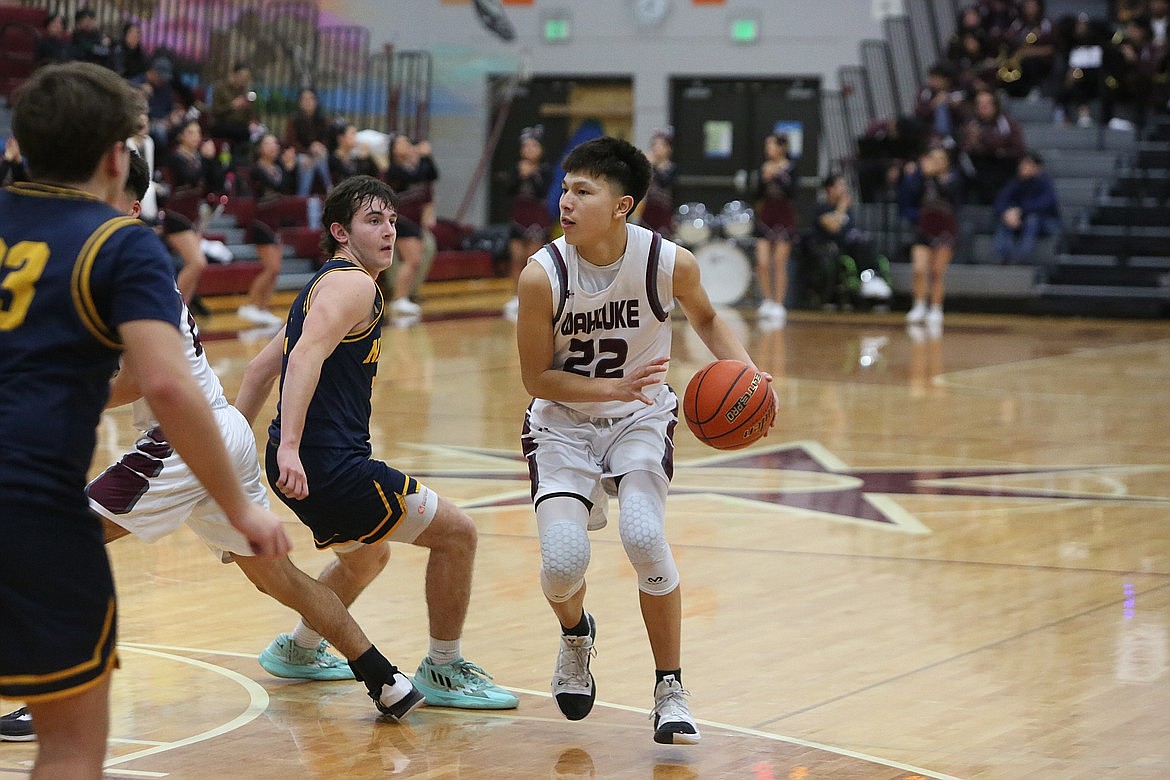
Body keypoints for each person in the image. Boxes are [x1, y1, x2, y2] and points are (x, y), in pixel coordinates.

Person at [0, 61, 291, 779]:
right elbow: (164, 384)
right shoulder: (120, 241)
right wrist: (238, 507)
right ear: (115, 158)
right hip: (31, 508)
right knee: (68, 750)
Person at [515, 136, 777, 744]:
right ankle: (576, 635)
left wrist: (748, 373)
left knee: (642, 533)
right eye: (565, 189)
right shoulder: (541, 276)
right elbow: (536, 378)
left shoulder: (669, 262)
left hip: (640, 419)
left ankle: (670, 688)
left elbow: (707, 318)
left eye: (584, 191)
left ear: (623, 205)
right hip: (563, 423)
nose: (566, 202)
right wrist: (611, 388)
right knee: (561, 565)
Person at [234, 174, 518, 714]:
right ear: (340, 232)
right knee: (458, 535)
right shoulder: (354, 285)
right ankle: (444, 665)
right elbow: (303, 359)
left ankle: (300, 648)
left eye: (391, 219)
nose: (389, 230)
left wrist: (245, 450)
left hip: (303, 465)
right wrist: (290, 445)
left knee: (367, 559)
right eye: (373, 220)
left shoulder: (323, 285)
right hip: (332, 467)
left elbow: (256, 370)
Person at [898, 146, 961, 326]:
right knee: (919, 269)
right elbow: (910, 193)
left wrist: (931, 176)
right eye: (933, 159)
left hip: (945, 229)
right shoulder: (922, 178)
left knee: (936, 272)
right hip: (925, 226)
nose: (936, 163)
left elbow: (949, 194)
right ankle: (918, 305)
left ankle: (936, 307)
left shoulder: (953, 179)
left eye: (940, 159)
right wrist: (916, 174)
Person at [807, 173, 893, 306]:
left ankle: (873, 278)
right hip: (831, 247)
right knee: (858, 246)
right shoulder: (821, 208)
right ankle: (867, 279)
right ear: (830, 189)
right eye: (840, 185)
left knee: (866, 242)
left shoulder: (848, 210)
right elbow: (833, 228)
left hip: (851, 246)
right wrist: (841, 209)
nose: (844, 189)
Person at [382, 132, 439, 319]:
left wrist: (428, 156)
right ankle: (399, 298)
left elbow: (432, 174)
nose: (407, 146)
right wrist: (423, 156)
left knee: (415, 260)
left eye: (408, 143)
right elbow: (415, 176)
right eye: (402, 144)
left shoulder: (417, 167)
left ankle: (404, 296)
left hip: (415, 221)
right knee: (411, 260)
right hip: (401, 219)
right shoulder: (393, 170)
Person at [502, 125, 554, 319]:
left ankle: (530, 296)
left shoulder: (546, 170)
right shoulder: (515, 168)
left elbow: (543, 190)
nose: (530, 150)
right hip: (518, 214)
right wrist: (519, 175)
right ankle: (515, 295)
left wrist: (531, 174)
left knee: (532, 258)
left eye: (534, 146)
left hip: (537, 216)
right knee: (516, 256)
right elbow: (508, 190)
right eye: (527, 146)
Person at [753, 132, 798, 327]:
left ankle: (779, 303)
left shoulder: (791, 167)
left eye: (771, 145)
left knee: (779, 262)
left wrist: (777, 175)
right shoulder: (764, 167)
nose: (767, 149)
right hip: (766, 216)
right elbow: (756, 194)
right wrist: (764, 179)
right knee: (762, 262)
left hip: (784, 217)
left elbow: (792, 192)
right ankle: (768, 300)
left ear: (782, 147)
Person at [992, 150, 1061, 264]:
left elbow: (1046, 203)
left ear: (1037, 167)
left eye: (1027, 164)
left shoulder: (1045, 182)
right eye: (1022, 164)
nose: (1022, 167)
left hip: (1047, 222)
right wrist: (1007, 213)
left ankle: (1021, 257)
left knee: (1032, 220)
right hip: (1021, 219)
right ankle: (1003, 254)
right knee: (1006, 218)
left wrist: (1021, 210)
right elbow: (1000, 200)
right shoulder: (1016, 183)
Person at [283, 88, 333, 198]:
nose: (308, 102)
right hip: (300, 153)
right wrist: (309, 151)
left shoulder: (322, 120)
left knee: (321, 155)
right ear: (300, 102)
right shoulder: (294, 120)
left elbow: (327, 140)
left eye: (311, 98)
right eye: (304, 99)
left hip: (318, 154)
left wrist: (318, 146)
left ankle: (329, 189)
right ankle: (303, 197)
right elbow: (291, 142)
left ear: (316, 101)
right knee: (306, 163)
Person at [208, 62, 259, 156]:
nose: (244, 79)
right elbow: (215, 111)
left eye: (247, 77)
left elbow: (251, 113)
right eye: (242, 76)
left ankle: (246, 159)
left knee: (258, 132)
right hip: (222, 123)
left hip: (241, 125)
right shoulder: (220, 88)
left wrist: (252, 121)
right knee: (241, 132)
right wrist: (232, 105)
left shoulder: (245, 91)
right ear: (234, 74)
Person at [634, 127, 677, 236]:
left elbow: (664, 182)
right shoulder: (649, 166)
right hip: (648, 210)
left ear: (668, 148)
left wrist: (654, 166)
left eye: (660, 145)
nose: (656, 148)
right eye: (654, 145)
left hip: (664, 212)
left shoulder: (671, 168)